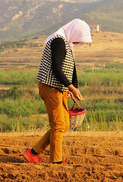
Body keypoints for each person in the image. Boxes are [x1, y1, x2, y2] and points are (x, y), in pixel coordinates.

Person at [23, 18, 92, 164]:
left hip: (57, 88)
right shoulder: (58, 42)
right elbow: (56, 68)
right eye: (79, 39)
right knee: (59, 125)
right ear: (74, 32)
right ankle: (56, 162)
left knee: (64, 124)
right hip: (50, 88)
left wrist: (70, 87)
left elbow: (68, 69)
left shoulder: (65, 42)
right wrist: (72, 88)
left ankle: (33, 152)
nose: (78, 43)